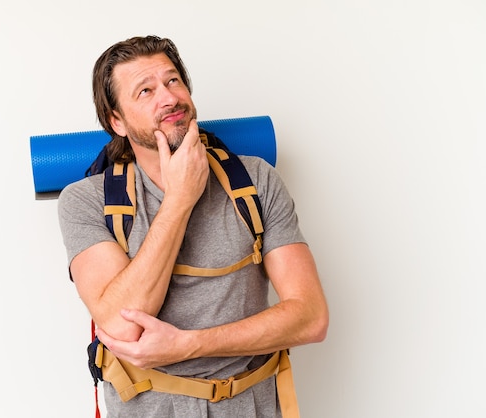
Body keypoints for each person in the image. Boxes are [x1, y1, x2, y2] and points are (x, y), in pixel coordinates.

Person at [58, 35, 329, 417]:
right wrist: (179, 199)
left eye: (173, 81)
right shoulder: (86, 200)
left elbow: (311, 317)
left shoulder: (256, 180)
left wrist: (189, 344)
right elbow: (122, 327)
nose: (169, 98)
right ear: (116, 121)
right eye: (145, 91)